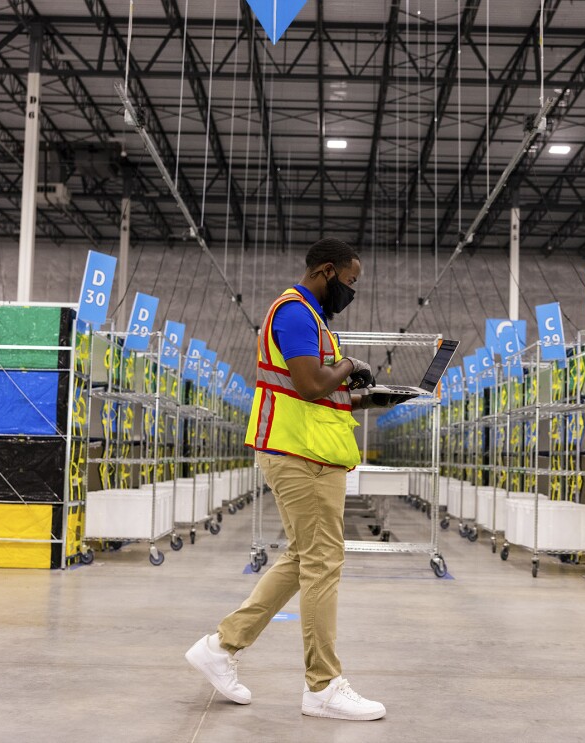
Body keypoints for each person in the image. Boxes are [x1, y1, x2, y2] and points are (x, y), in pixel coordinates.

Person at [185, 238, 400, 721]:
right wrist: (349, 365)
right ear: (327, 271)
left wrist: (375, 397)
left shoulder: (314, 321)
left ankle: (221, 647)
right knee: (323, 562)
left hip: (311, 452)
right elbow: (309, 383)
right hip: (298, 454)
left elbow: (320, 396)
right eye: (350, 282)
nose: (352, 291)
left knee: (303, 558)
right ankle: (322, 686)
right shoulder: (296, 313)